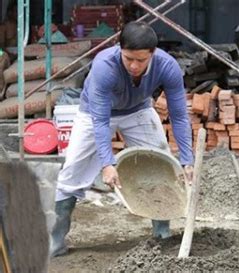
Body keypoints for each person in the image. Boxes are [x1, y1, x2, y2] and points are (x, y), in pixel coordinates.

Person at [50, 21, 194, 257]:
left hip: (138, 110)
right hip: (93, 114)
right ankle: (54, 242)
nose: (134, 66)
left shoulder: (168, 66)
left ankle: (162, 236)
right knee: (71, 176)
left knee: (160, 164)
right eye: (128, 59)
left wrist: (188, 160)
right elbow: (100, 121)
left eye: (141, 60)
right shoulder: (104, 66)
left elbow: (179, 116)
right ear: (119, 49)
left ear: (153, 54)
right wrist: (108, 164)